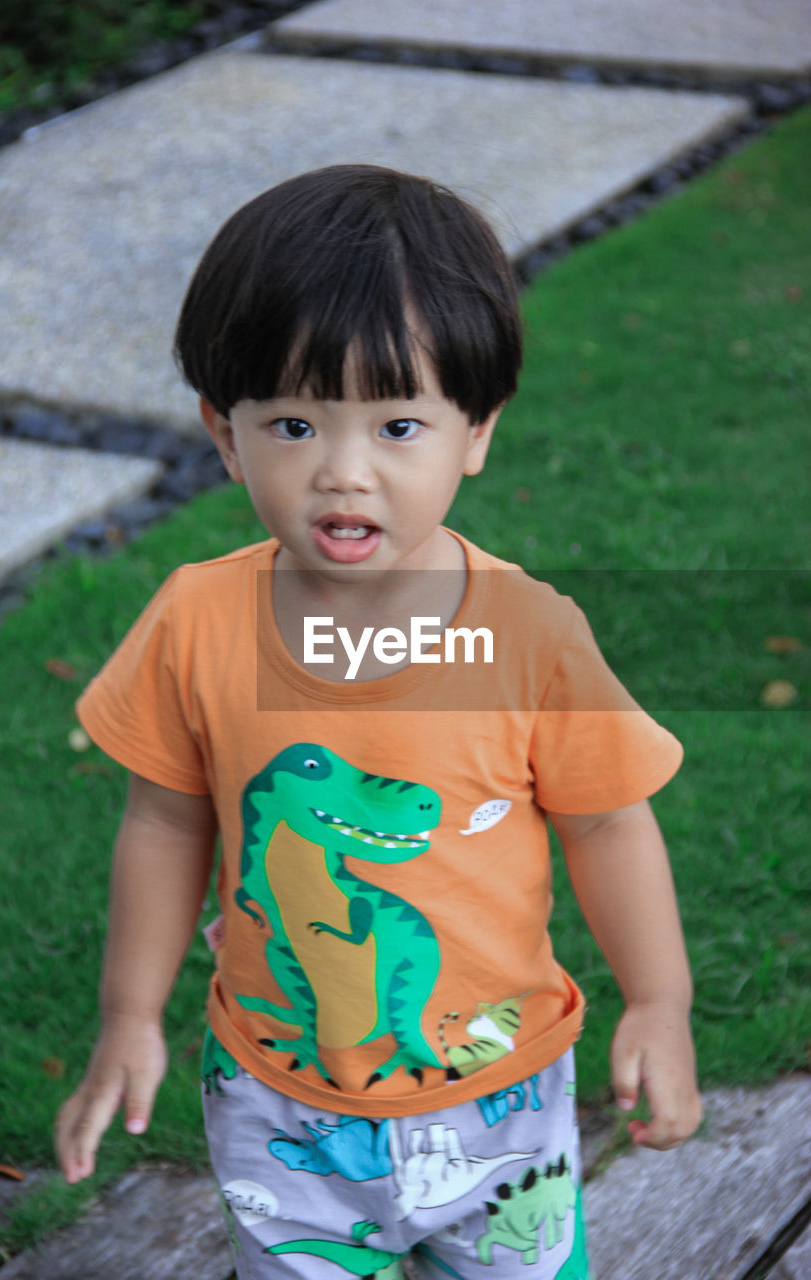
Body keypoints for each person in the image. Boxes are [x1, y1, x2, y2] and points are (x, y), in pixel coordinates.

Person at [55, 164, 701, 1277]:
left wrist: (660, 998)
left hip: (500, 1099)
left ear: (475, 432)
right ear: (225, 432)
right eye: (295, 422)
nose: (343, 474)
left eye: (399, 423)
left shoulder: (532, 636)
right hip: (277, 1101)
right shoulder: (195, 621)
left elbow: (607, 821)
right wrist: (129, 1011)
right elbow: (165, 822)